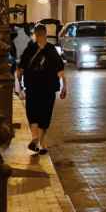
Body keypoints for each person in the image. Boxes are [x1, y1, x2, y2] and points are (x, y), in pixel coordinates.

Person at [15, 24, 66, 155]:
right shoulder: (42, 50)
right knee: (37, 113)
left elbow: (60, 69)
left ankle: (39, 142)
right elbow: (20, 69)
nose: (38, 38)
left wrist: (64, 86)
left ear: (43, 35)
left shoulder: (44, 50)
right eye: (37, 36)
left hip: (41, 87)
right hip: (38, 87)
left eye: (39, 36)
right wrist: (19, 83)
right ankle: (36, 140)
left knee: (40, 113)